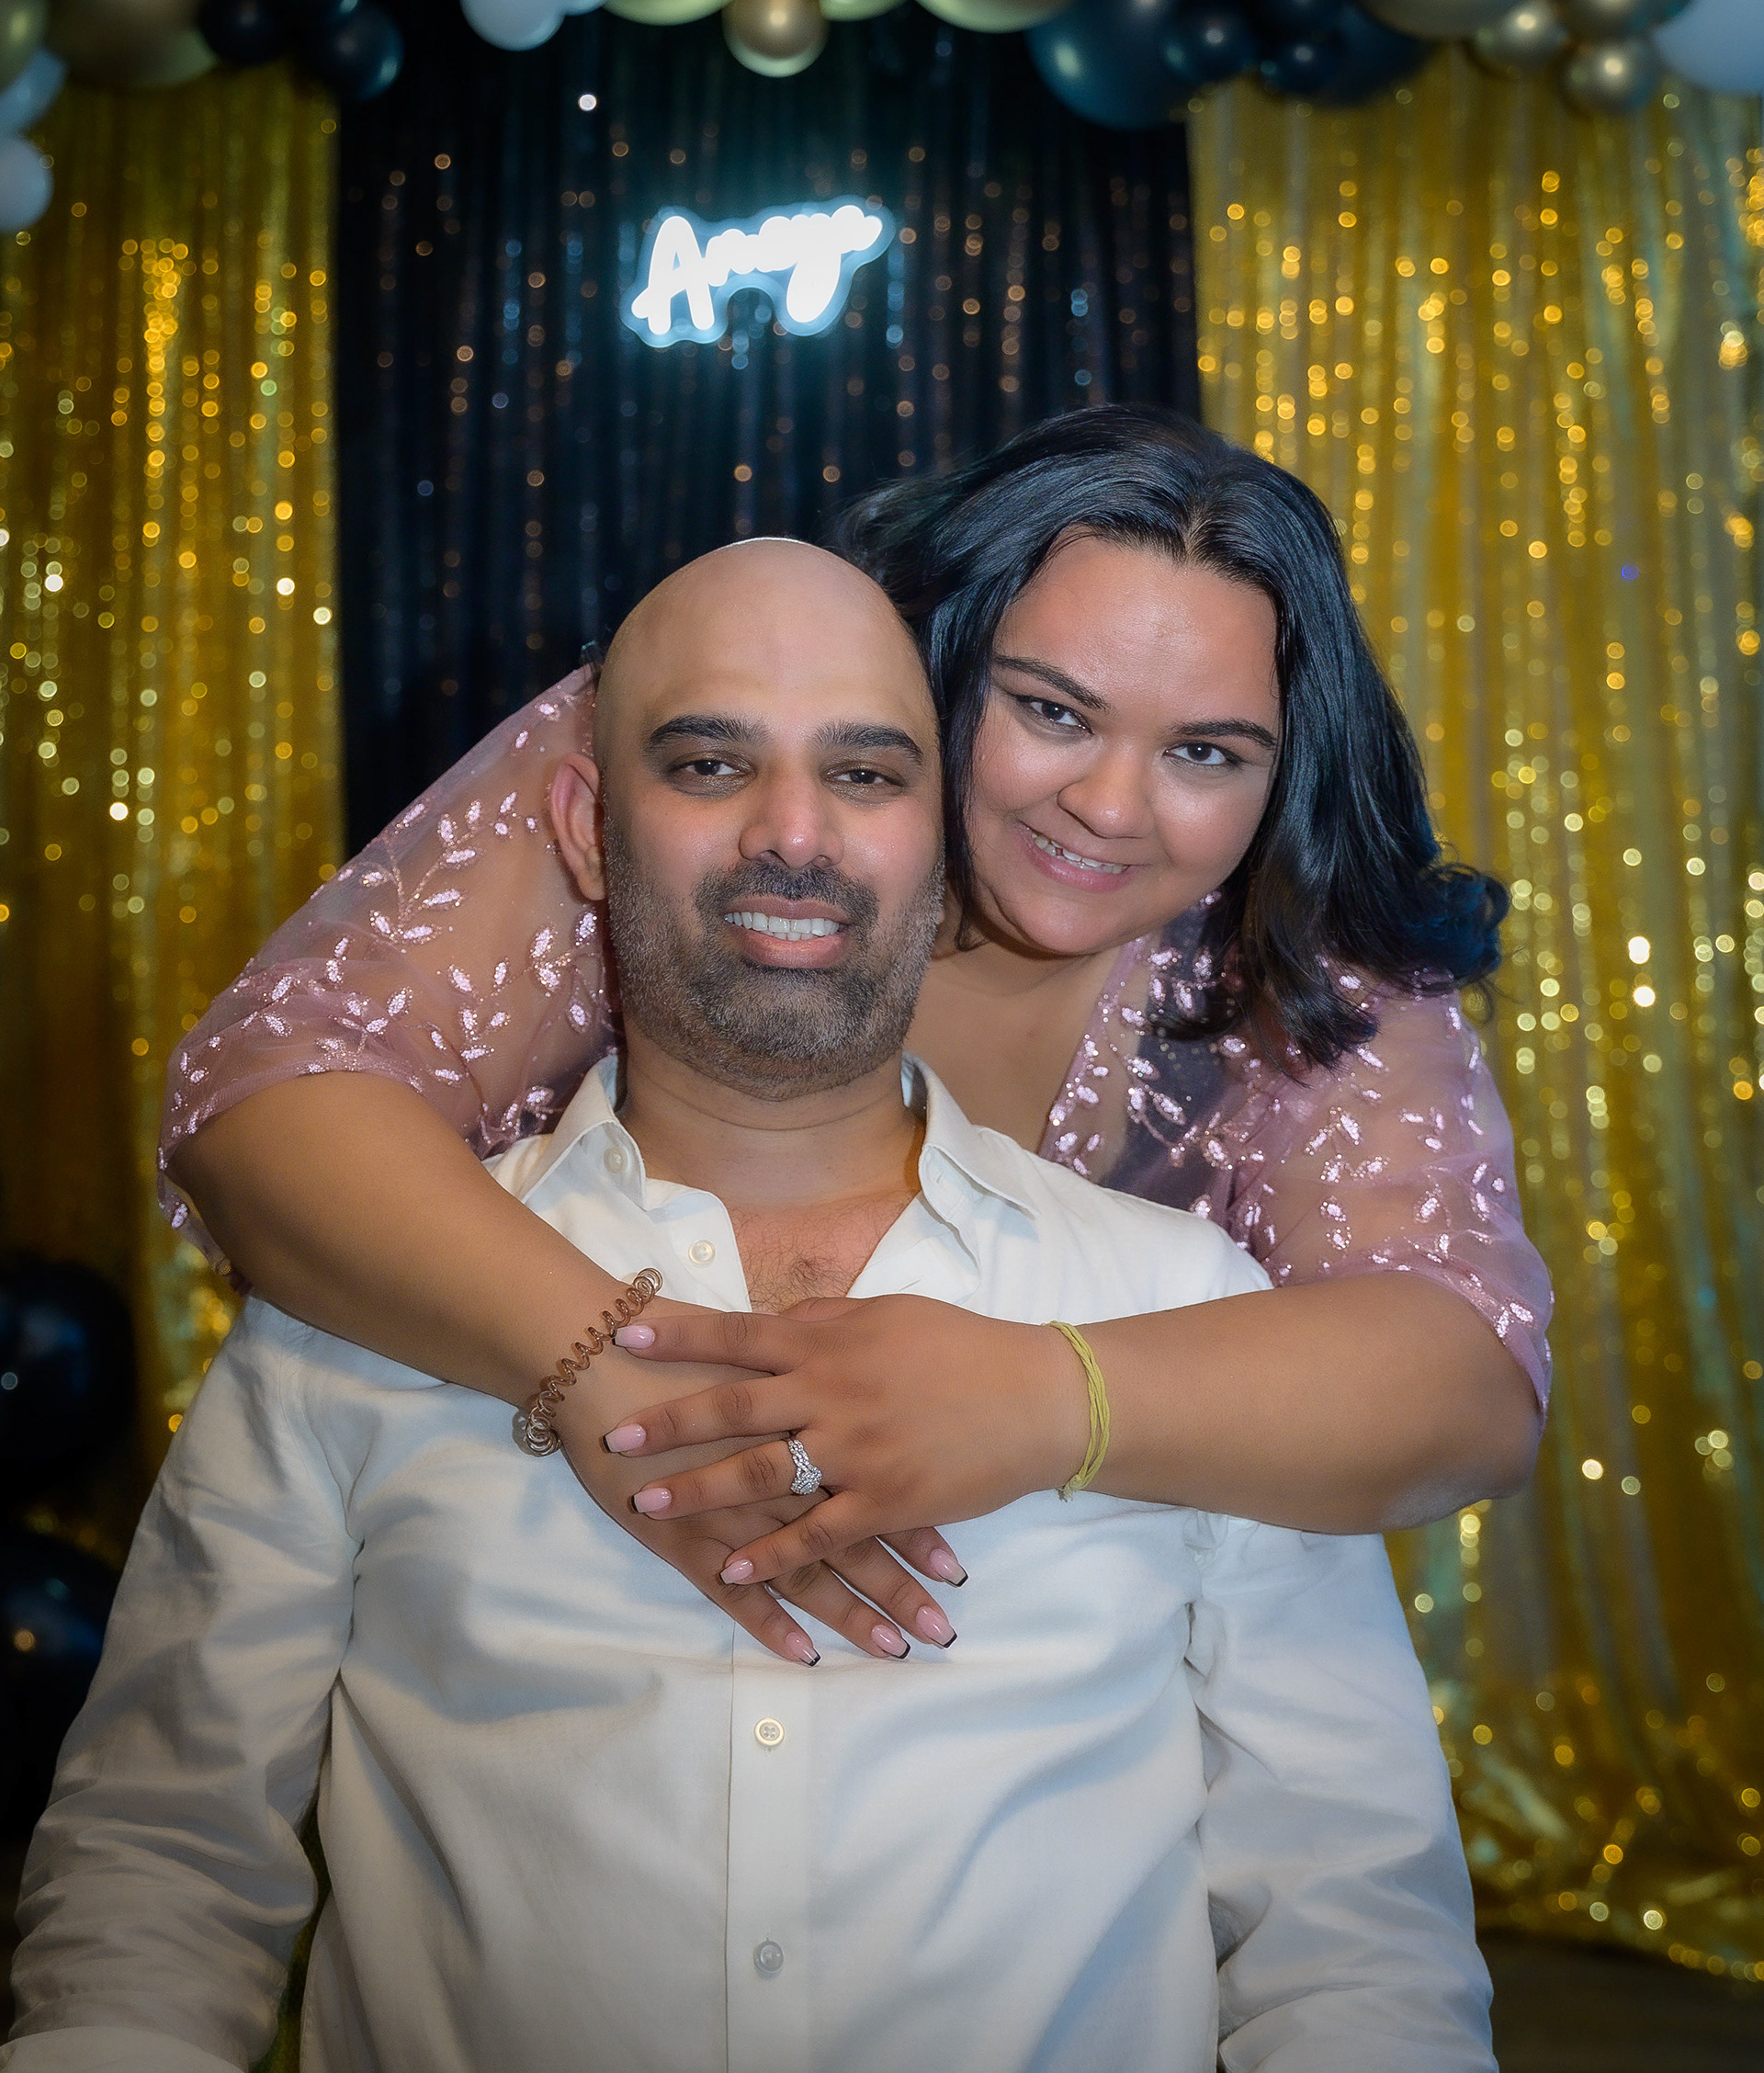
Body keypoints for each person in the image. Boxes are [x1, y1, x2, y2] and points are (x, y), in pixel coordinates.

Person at [6, 544, 1494, 2073]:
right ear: (585, 828)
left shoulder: (1184, 1308)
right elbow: (158, 1869)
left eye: (865, 774)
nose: (793, 833)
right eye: (709, 764)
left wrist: (1061, 1403)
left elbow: (1355, 1941)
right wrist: (594, 1368)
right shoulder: (367, 1300)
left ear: (939, 841)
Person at [162, 407, 1550, 1665]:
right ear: (931, 666)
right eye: (1052, 711)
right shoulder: (710, 761)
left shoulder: (1304, 944)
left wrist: (1049, 1400)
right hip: (538, 1564)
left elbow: (1470, 1374)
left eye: (1206, 753)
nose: (1113, 806)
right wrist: (603, 1380)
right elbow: (265, 1091)